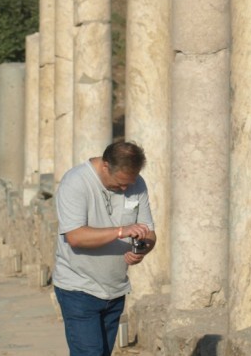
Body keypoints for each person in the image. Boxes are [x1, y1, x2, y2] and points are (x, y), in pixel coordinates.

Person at [53, 141, 156, 356]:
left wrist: (141, 249)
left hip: (115, 289)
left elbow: (149, 234)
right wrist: (121, 231)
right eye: (120, 184)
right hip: (78, 288)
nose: (125, 189)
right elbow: (75, 237)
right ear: (105, 166)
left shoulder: (136, 183)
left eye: (130, 183)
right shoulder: (75, 182)